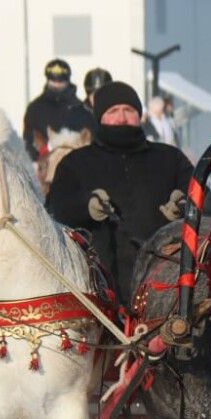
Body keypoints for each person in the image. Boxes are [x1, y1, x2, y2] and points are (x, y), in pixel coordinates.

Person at [46, 81, 193, 303]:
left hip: (164, 288)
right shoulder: (75, 164)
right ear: (100, 117)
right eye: (113, 111)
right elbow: (54, 210)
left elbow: (201, 198)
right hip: (98, 288)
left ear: (140, 115)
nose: (122, 118)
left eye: (129, 110)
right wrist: (85, 206)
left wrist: (183, 205)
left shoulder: (170, 159)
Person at [22, 58, 90, 159]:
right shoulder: (35, 109)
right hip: (44, 163)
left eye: (61, 82)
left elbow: (89, 139)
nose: (57, 85)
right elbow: (28, 141)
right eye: (53, 81)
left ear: (67, 81)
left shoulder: (81, 109)